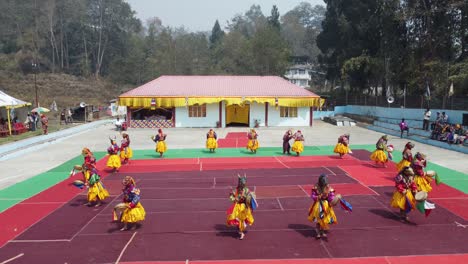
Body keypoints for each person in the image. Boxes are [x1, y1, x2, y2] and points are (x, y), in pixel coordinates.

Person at [307, 174, 337, 239]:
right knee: (318, 218)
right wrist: (317, 197)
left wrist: (332, 200)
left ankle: (322, 231)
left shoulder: (328, 187)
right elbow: (313, 195)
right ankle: (318, 232)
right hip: (318, 205)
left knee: (324, 219)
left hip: (326, 205)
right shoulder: (316, 187)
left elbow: (331, 195)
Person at [227, 174, 254, 240]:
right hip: (237, 207)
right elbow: (231, 197)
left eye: (243, 183)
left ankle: (241, 232)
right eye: (241, 183)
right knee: (237, 219)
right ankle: (240, 230)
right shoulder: (236, 190)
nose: (242, 184)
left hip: (244, 207)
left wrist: (249, 200)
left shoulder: (247, 190)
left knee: (242, 220)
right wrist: (234, 199)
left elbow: (250, 197)